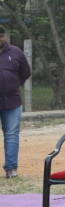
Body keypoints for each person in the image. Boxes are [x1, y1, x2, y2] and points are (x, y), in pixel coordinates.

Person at [0, 25, 31, 179]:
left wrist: (13, 84)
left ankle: (11, 168)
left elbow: (26, 72)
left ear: (4, 37)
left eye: (1, 36)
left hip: (12, 101)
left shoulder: (15, 52)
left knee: (12, 134)